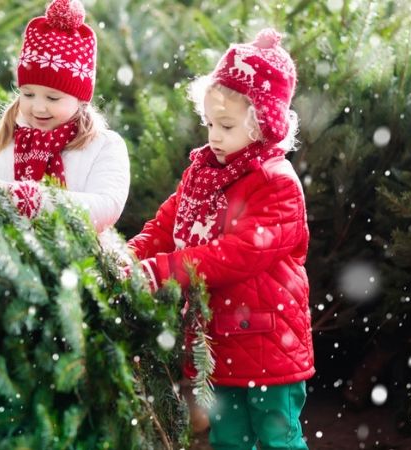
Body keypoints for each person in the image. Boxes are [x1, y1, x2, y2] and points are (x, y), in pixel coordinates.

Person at [127, 28, 312, 449]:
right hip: (219, 344)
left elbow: (238, 254)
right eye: (209, 122)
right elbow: (167, 223)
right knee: (229, 437)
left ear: (263, 124)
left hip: (268, 342)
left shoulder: (276, 183)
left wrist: (162, 271)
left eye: (226, 125)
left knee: (277, 435)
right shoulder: (204, 174)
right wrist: (131, 254)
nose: (213, 135)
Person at [0, 0, 129, 233]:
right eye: (28, 94)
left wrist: (30, 199)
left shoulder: (104, 146)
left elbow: (106, 207)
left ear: (80, 99)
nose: (38, 107)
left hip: (83, 263)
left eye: (52, 98)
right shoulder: (10, 142)